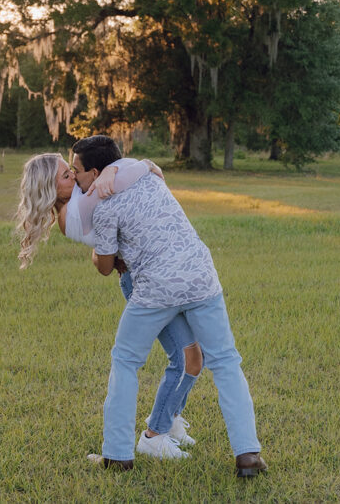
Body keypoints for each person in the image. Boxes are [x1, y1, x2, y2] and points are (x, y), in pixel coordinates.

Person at [70, 135, 268, 477]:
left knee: (126, 361)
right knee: (226, 362)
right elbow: (145, 166)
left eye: (77, 171)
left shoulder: (104, 207)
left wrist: (100, 251)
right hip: (201, 276)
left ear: (96, 171)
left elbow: (105, 267)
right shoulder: (148, 175)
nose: (74, 178)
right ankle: (248, 455)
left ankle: (117, 455)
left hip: (155, 289)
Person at [16, 151, 201, 459]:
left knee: (193, 357)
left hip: (161, 274)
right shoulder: (71, 214)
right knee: (186, 359)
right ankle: (155, 435)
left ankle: (168, 422)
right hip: (144, 282)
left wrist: (116, 173)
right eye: (65, 175)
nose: (74, 176)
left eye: (71, 170)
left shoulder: (81, 193)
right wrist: (119, 173)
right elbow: (104, 260)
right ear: (50, 189)